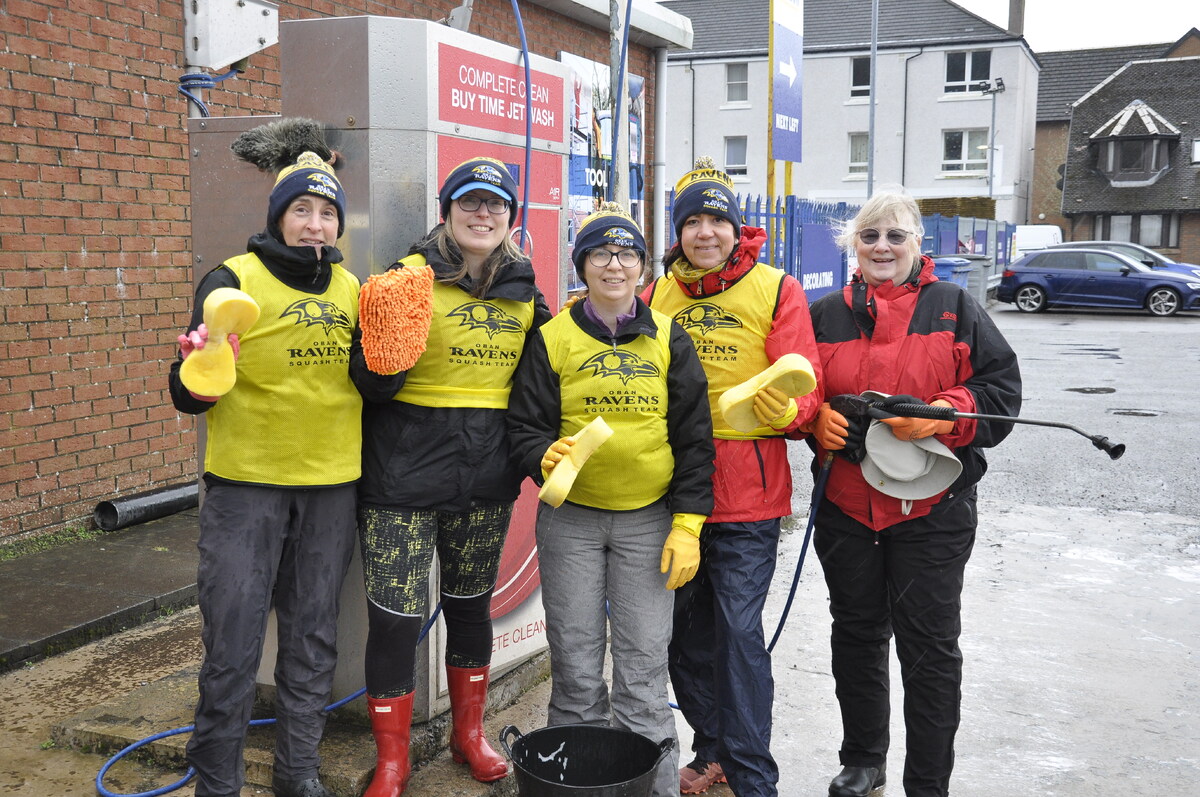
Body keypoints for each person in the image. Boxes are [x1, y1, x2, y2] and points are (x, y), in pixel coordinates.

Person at [803, 188, 1021, 797]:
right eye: (870, 235)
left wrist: (948, 413)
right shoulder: (824, 314)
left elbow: (1001, 392)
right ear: (853, 245)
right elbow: (798, 391)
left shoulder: (953, 305)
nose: (882, 247)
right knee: (855, 632)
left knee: (928, 648)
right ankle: (863, 759)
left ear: (916, 245)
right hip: (847, 506)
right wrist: (813, 420)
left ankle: (927, 782)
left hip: (933, 511)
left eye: (895, 236)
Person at [350, 157, 550, 797]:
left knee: (469, 613)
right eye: (469, 202)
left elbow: (542, 389)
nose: (483, 213)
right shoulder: (408, 282)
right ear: (446, 211)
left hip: (485, 481)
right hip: (400, 480)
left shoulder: (525, 293)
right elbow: (370, 385)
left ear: (511, 218)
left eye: (496, 204)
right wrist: (383, 339)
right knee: (395, 621)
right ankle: (392, 760)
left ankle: (470, 736)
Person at [168, 144, 361, 797]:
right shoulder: (231, 280)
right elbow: (187, 389)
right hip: (246, 490)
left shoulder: (352, 289)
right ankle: (217, 778)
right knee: (233, 638)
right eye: (301, 209)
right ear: (279, 215)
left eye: (326, 212)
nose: (315, 224)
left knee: (312, 639)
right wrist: (199, 369)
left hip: (331, 489)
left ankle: (297, 771)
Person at [507, 204, 716, 797]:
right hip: (570, 522)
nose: (614, 264)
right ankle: (577, 783)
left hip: (649, 520)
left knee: (645, 667)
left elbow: (695, 439)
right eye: (600, 253)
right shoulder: (552, 339)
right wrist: (540, 454)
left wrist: (688, 524)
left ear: (643, 267)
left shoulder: (671, 339)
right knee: (574, 662)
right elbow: (523, 426)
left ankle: (654, 788)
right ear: (582, 267)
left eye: (627, 254)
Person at [642, 158, 823, 797]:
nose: (705, 231)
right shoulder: (656, 291)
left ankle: (753, 778)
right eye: (692, 220)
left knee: (740, 636)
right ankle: (713, 745)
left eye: (717, 218)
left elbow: (805, 377)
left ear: (736, 226)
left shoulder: (778, 287)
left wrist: (795, 411)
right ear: (677, 231)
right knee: (677, 637)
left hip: (749, 495)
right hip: (669, 489)